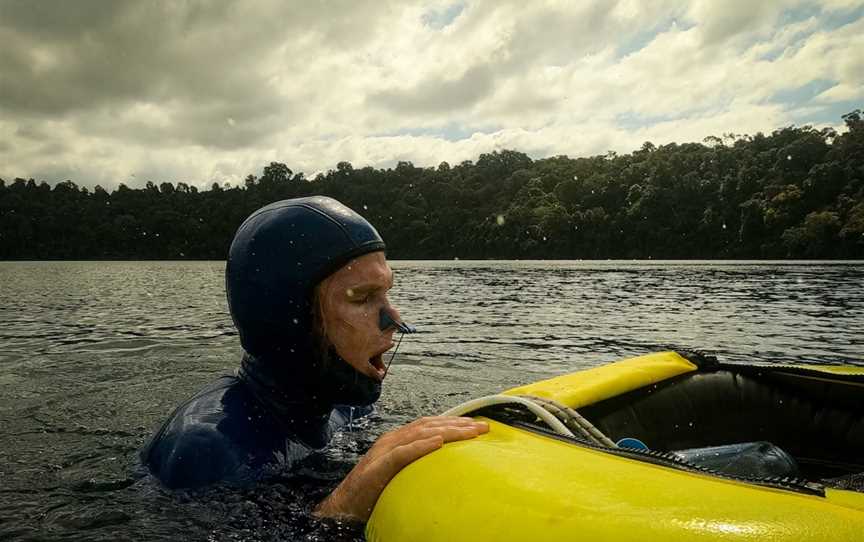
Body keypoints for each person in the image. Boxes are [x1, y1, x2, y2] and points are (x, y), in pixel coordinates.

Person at [140, 196, 487, 522]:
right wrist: (336, 511)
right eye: (362, 298)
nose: (394, 319)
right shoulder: (207, 450)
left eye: (386, 292)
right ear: (288, 319)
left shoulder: (349, 409)